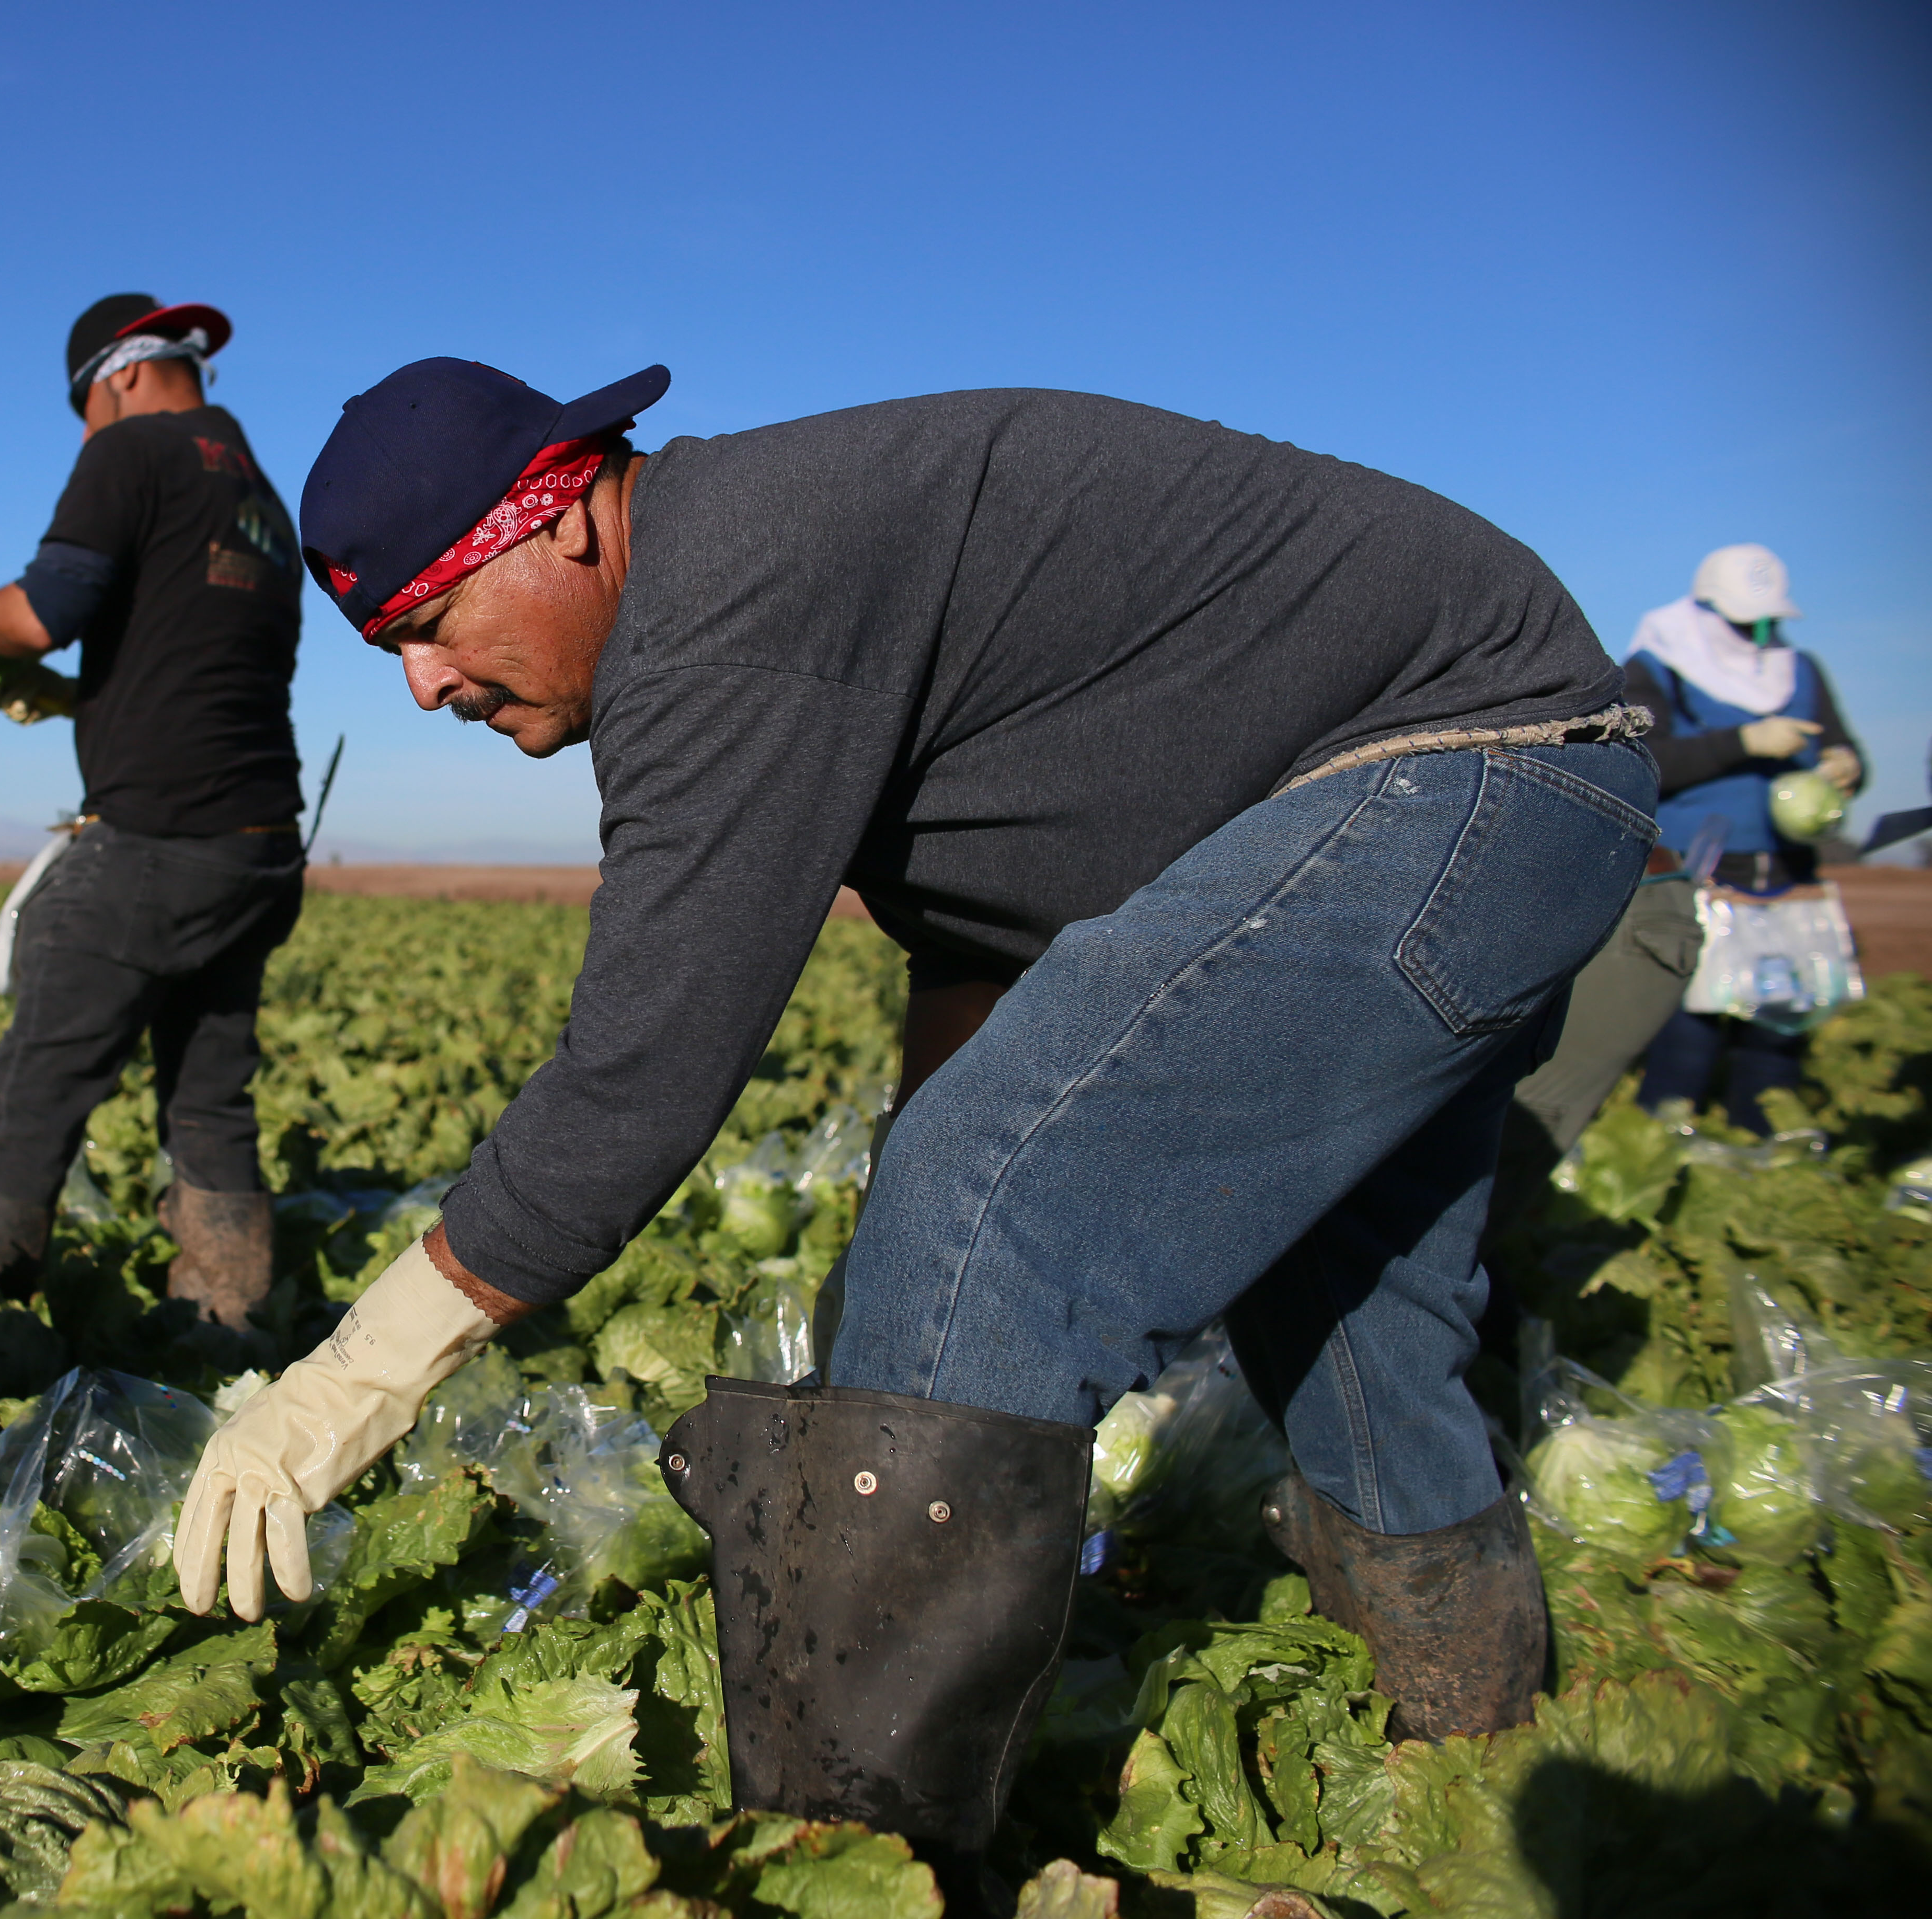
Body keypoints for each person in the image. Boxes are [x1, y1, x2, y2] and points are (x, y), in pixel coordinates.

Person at [172, 363, 1657, 1866]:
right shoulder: (771, 574)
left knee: (990, 1208)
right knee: (1355, 1316)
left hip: (1455, 775)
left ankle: (852, 1860)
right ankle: (1471, 1768)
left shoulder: (723, 593)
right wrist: (897, 1294)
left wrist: (358, 1372)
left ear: (557, 523)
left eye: (427, 621)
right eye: (385, 648)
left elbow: (645, 1070)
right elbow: (976, 947)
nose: (423, 685)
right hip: (1519, 789)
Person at [0, 294, 305, 1329]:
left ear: (119, 375)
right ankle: (226, 1328)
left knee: (34, 1093)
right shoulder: (260, 499)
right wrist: (86, 698)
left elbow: (40, 613)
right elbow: (204, 661)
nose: (85, 432)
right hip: (257, 845)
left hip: (156, 842)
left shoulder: (133, 453)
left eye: (84, 408)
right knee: (211, 1101)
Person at [1625, 544, 1865, 1135]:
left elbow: (1844, 745)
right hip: (1694, 871)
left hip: (1788, 876)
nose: (1757, 632)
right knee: (1689, 1029)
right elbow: (1642, 761)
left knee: (1780, 1028)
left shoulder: (1799, 670)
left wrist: (1845, 764)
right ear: (1705, 609)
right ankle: (1663, 1144)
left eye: (1766, 620)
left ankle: (1759, 1149)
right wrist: (1744, 744)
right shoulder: (1656, 669)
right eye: (1742, 620)